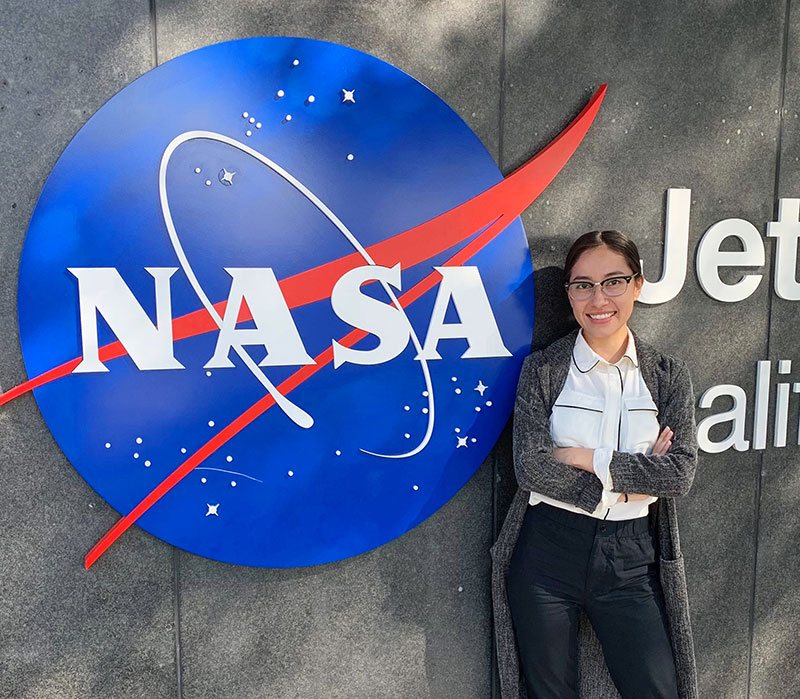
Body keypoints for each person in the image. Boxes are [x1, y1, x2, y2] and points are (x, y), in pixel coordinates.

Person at [491, 230, 699, 699]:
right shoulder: (544, 370)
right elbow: (531, 468)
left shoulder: (667, 376)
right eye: (582, 284)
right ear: (568, 293)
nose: (598, 298)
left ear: (638, 286)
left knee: (657, 688)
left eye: (613, 282)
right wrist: (629, 483)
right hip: (548, 550)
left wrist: (586, 458)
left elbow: (680, 472)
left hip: (631, 558)